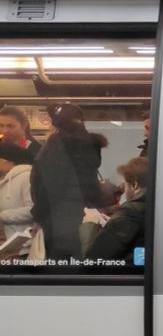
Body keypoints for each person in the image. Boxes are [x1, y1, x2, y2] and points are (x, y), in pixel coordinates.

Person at [30, 104, 108, 259]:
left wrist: (38, 216)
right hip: (85, 213)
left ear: (57, 123)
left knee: (59, 263)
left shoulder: (56, 143)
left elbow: (49, 183)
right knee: (80, 257)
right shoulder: (92, 144)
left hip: (58, 213)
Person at [81, 157, 147, 261]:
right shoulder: (149, 208)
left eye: (124, 185)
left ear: (134, 185)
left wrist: (90, 224)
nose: (124, 191)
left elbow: (91, 262)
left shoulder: (130, 213)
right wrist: (112, 225)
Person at [0, 143, 34, 251]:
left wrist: (2, 216)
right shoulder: (3, 180)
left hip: (23, 246)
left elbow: (33, 210)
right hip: (7, 246)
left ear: (4, 160)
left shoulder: (26, 177)